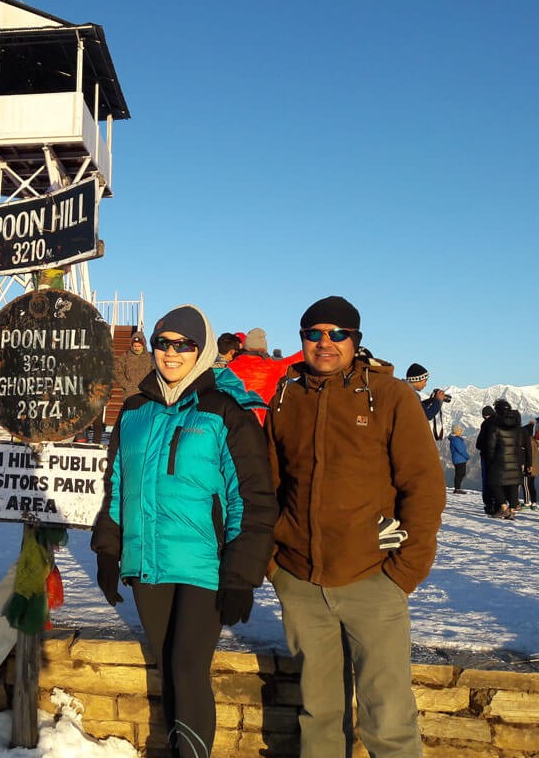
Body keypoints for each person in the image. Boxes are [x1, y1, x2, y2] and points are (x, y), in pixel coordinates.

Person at [91, 305, 276, 758]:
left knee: (187, 665)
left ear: (202, 350)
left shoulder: (225, 412)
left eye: (183, 344)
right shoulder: (135, 410)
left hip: (204, 565)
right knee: (168, 665)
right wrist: (108, 551)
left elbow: (251, 498)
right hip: (149, 560)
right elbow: (117, 484)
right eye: (162, 343)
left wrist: (241, 575)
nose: (170, 353)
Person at [265, 295, 445, 758]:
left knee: (388, 719)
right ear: (301, 340)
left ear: (356, 341)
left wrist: (405, 571)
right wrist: (274, 563)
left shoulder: (389, 396)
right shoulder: (287, 396)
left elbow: (423, 486)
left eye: (337, 334)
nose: (325, 343)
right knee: (318, 715)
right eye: (313, 334)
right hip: (301, 578)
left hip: (373, 575)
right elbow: (270, 483)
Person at [225, 327, 302, 424]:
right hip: (257, 426)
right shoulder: (271, 368)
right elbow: (297, 359)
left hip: (227, 425)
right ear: (263, 350)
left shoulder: (228, 367)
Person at [482, 399, 527, 520]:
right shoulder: (517, 425)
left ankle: (503, 507)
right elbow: (521, 444)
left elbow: (491, 446)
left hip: (500, 459)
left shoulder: (495, 425)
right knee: (513, 483)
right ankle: (512, 511)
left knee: (493, 482)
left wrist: (491, 460)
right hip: (516, 459)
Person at [112, 332, 153, 402]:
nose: (137, 348)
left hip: (146, 395)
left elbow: (155, 373)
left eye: (139, 346)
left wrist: (148, 386)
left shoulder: (150, 357)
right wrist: (127, 385)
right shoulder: (124, 357)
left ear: (143, 345)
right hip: (130, 395)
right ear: (131, 345)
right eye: (135, 346)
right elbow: (117, 372)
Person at [477, 405, 497, 514]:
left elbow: (479, 444)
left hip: (487, 457)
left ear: (485, 416)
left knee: (487, 480)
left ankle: (489, 505)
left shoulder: (486, 424)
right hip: (501, 457)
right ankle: (501, 503)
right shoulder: (503, 422)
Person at [448, 425, 470, 494]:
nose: (461, 431)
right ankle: (457, 489)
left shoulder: (455, 439)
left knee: (460, 473)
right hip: (459, 459)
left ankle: (457, 488)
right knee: (459, 474)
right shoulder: (456, 439)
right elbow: (461, 450)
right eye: (460, 430)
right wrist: (467, 456)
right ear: (456, 431)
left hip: (459, 459)